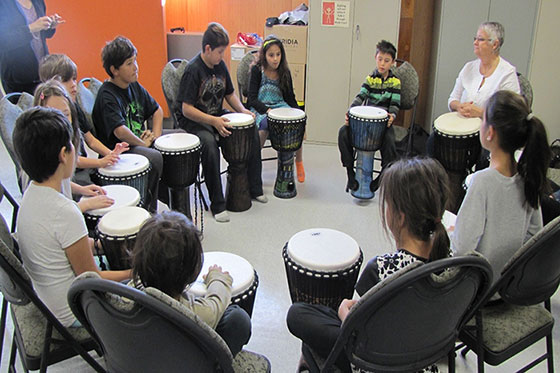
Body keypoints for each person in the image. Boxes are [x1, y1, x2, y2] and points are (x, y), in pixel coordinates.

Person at [287, 157, 450, 372]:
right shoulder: (452, 263)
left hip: (377, 362)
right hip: (423, 359)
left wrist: (346, 313)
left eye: (388, 204)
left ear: (400, 218)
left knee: (298, 315)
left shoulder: (383, 269)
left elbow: (359, 332)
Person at [14, 107, 131, 327]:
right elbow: (93, 279)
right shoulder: (65, 212)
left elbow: (66, 245)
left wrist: (106, 245)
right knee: (150, 294)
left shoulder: (30, 196)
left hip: (48, 299)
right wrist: (134, 272)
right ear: (63, 154)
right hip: (73, 311)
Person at [452, 90, 550, 282]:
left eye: (482, 119)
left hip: (480, 289)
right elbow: (534, 235)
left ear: (490, 132)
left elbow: (461, 251)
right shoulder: (528, 176)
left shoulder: (482, 182)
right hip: (509, 284)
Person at [177, 22, 266, 223]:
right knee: (209, 145)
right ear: (207, 49)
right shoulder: (193, 70)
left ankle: (255, 187)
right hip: (195, 119)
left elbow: (230, 94)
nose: (222, 56)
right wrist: (214, 121)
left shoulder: (220, 65)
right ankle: (217, 204)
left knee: (250, 128)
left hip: (216, 114)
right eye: (219, 52)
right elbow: (186, 109)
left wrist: (244, 112)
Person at [130, 211, 251, 356]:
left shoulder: (126, 292)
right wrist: (218, 278)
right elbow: (215, 305)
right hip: (179, 360)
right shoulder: (191, 315)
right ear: (193, 271)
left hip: (139, 356)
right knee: (238, 319)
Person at [92, 36, 168, 213]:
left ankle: (173, 197)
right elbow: (120, 131)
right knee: (155, 156)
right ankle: (149, 210)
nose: (136, 67)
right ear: (114, 70)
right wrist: (144, 144)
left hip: (140, 141)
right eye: (129, 63)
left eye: (135, 61)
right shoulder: (107, 96)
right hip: (120, 150)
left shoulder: (133, 85)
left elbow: (157, 111)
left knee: (176, 137)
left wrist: (155, 137)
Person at [427, 22, 521, 162]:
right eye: (475, 38)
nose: (475, 42)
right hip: (464, 127)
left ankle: (475, 182)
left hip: (490, 131)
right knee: (433, 141)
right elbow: (453, 98)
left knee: (484, 156)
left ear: (494, 44)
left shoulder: (507, 73)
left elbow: (511, 114)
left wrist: (482, 113)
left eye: (480, 39)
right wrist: (458, 106)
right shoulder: (468, 68)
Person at [39, 54, 129, 186]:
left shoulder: (73, 106)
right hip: (68, 176)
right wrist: (100, 162)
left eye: (74, 79)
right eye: (66, 81)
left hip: (83, 168)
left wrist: (112, 155)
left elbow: (91, 140)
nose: (73, 85)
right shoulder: (49, 119)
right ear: (50, 84)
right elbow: (70, 159)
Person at [32, 79, 115, 212]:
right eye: (54, 115)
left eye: (65, 114)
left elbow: (61, 182)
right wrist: (85, 205)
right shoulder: (41, 158)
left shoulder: (66, 139)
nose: (62, 122)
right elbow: (56, 212)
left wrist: (81, 189)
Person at [338, 40, 401, 193]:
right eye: (380, 59)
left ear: (392, 62)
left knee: (390, 142)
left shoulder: (395, 82)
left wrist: (391, 116)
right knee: (343, 133)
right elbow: (360, 96)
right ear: (375, 58)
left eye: (387, 61)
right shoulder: (370, 79)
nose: (382, 64)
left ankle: (381, 177)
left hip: (384, 123)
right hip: (366, 123)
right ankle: (350, 173)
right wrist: (350, 112)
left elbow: (395, 104)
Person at [247, 36, 305, 182]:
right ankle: (254, 164)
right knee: (265, 125)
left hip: (279, 105)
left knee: (297, 123)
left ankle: (298, 161)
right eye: (271, 55)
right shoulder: (256, 70)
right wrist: (267, 110)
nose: (275, 59)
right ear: (264, 55)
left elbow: (290, 97)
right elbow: (252, 99)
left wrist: (300, 114)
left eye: (278, 55)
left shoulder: (284, 71)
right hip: (260, 107)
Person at [0, 0, 64, 94]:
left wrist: (50, 25)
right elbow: (4, 40)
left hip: (43, 71)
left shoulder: (38, 2)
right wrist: (31, 28)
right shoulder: (4, 4)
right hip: (18, 76)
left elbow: (41, 34)